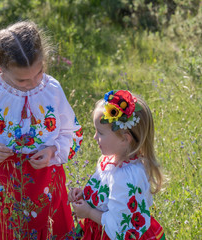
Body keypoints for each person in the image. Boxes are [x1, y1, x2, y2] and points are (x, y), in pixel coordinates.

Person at [0, 20, 83, 240]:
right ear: (0, 67)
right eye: (22, 79)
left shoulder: (52, 89)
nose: (32, 83)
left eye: (38, 74)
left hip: (47, 180)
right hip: (5, 185)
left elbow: (72, 133)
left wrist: (52, 151)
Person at [68, 90, 165, 240]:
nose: (95, 137)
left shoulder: (125, 177)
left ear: (125, 139)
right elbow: (107, 195)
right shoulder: (112, 159)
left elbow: (118, 225)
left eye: (100, 133)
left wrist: (88, 212)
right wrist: (87, 196)